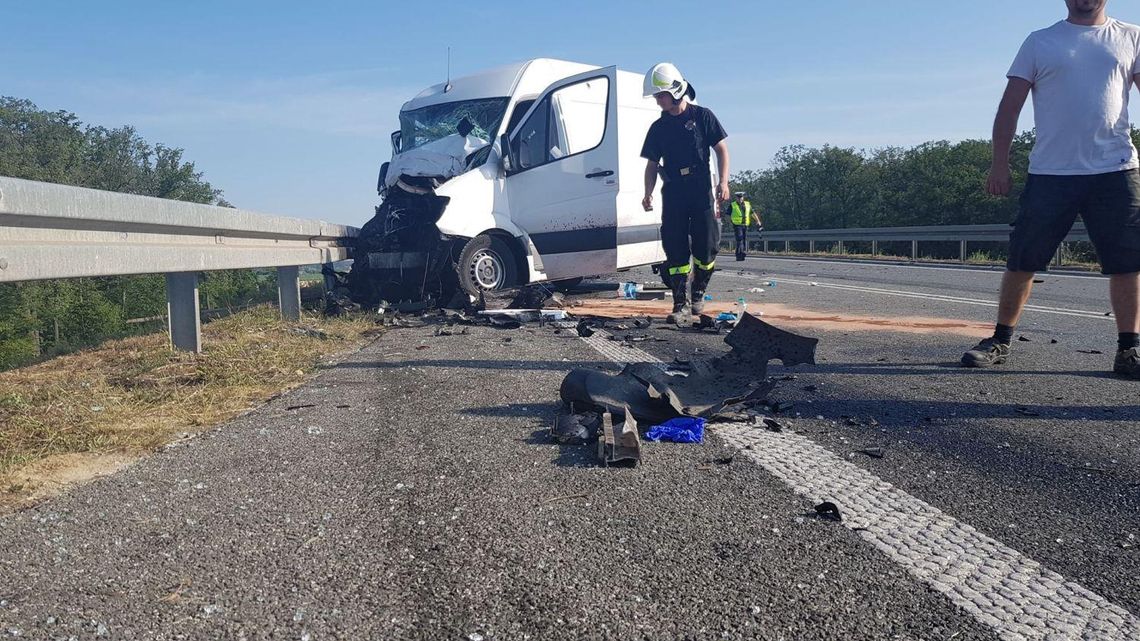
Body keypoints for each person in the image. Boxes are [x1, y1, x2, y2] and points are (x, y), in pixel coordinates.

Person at [962, 0, 1140, 379]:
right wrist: (999, 163)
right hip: (1051, 172)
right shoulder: (1040, 42)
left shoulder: (1130, 36)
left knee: (1128, 261)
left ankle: (1129, 351)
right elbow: (1009, 108)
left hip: (1116, 168)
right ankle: (999, 341)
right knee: (1023, 257)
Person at [640, 62, 731, 324]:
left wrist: (723, 183)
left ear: (676, 91)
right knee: (675, 247)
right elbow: (651, 164)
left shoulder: (703, 116)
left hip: (701, 188)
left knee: (707, 247)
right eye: (656, 96)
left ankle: (699, 291)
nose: (657, 101)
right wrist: (648, 193)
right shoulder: (658, 128)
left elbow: (722, 150)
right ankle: (680, 302)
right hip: (674, 191)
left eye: (660, 95)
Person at [726, 191, 762, 261]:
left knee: (744, 239)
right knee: (740, 239)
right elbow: (727, 215)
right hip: (737, 225)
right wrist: (730, 222)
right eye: (738, 197)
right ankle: (740, 253)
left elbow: (752, 213)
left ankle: (740, 255)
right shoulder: (732, 205)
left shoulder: (747, 204)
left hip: (745, 224)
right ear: (736, 198)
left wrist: (758, 221)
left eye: (741, 197)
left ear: (743, 197)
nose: (740, 199)